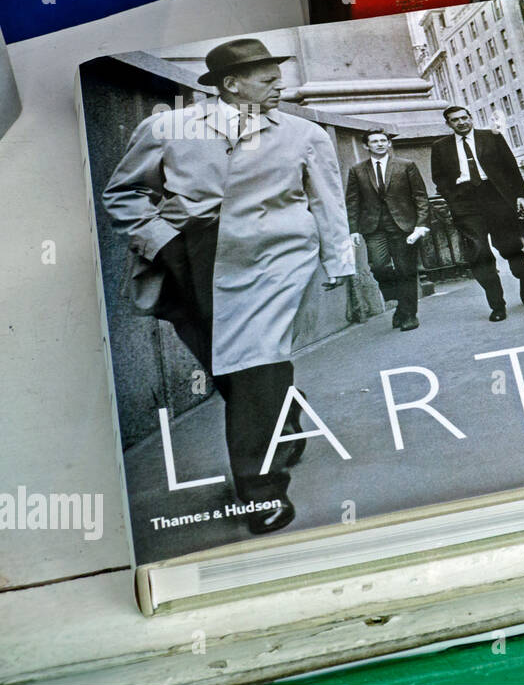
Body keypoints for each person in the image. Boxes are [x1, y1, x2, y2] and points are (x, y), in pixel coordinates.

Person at [103, 38, 355, 534]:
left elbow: (327, 202)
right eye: (266, 78)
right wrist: (164, 243)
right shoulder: (167, 128)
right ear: (231, 84)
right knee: (225, 366)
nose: (279, 83)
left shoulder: (304, 135)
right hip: (186, 260)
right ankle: (285, 409)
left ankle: (259, 492)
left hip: (274, 260)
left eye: (278, 75)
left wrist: (337, 260)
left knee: (256, 365)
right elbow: (123, 193)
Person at [428, 105, 524, 321]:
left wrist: (521, 196)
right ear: (448, 124)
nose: (461, 122)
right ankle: (497, 305)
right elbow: (438, 177)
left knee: (508, 247)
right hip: (465, 202)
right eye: (455, 120)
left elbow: (511, 167)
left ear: (471, 118)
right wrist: (451, 197)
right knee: (479, 253)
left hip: (496, 197)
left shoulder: (491, 137)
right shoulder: (440, 147)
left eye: (464, 118)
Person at [345, 129, 431, 331]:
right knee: (379, 267)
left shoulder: (406, 166)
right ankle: (401, 304)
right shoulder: (357, 170)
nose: (380, 144)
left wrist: (421, 224)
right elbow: (352, 202)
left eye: (384, 140)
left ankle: (409, 314)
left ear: (389, 144)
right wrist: (353, 229)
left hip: (403, 226)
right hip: (374, 228)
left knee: (405, 269)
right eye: (374, 141)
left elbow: (420, 196)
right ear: (366, 146)